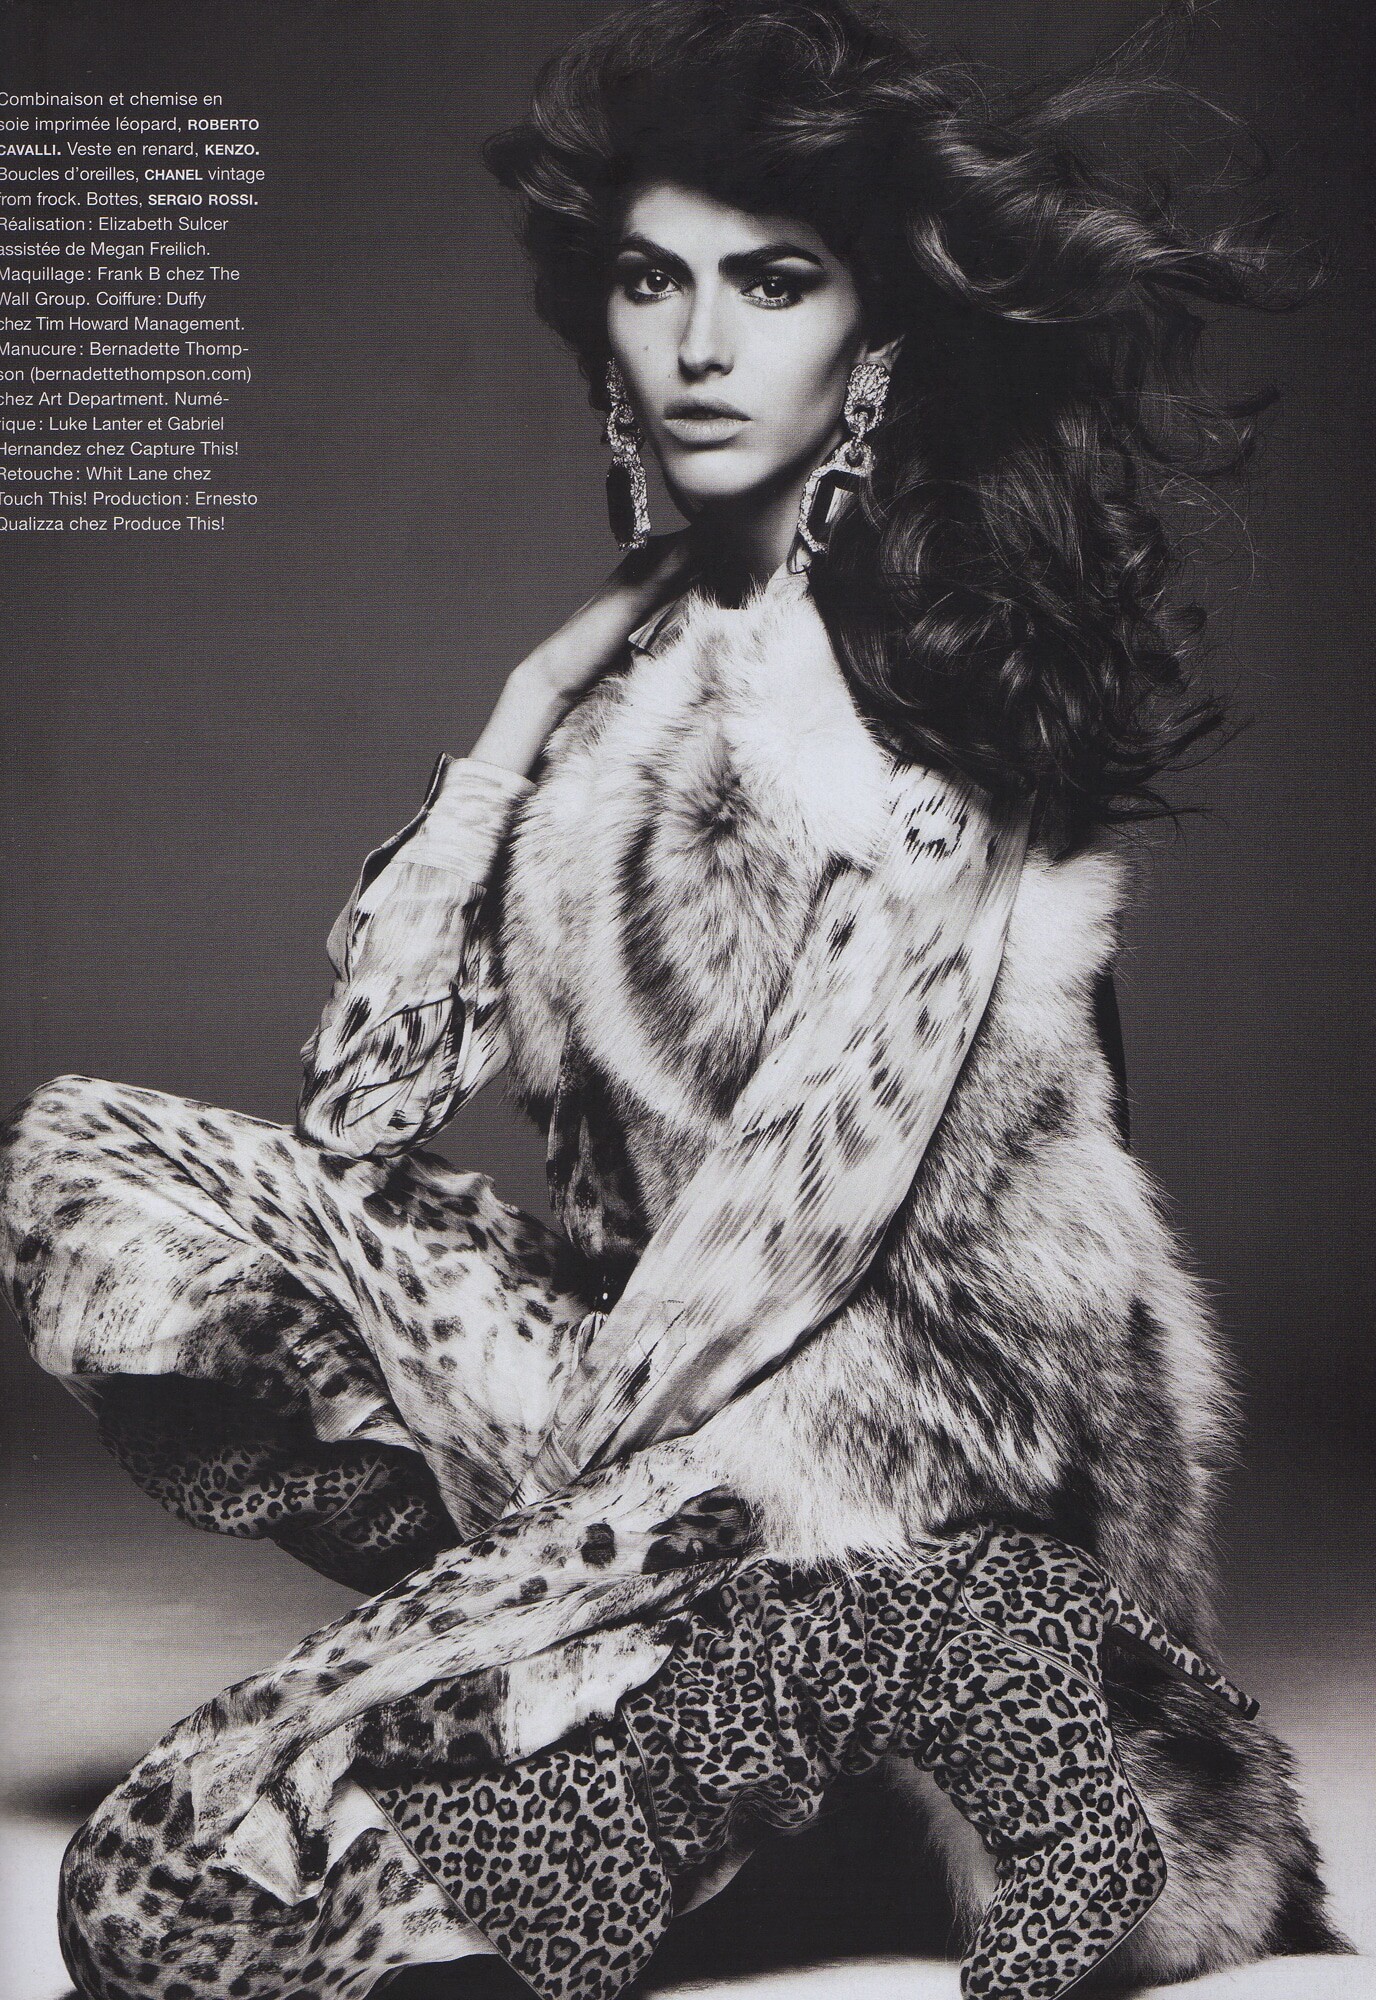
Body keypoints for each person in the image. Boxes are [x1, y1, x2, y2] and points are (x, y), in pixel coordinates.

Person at [0, 3, 1346, 1997]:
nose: (702, 343)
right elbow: (364, 1109)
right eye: (654, 280)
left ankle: (880, 1731)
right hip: (656, 1408)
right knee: (88, 1162)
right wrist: (521, 715)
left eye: (773, 282)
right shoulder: (631, 690)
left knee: (163, 1894)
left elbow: (786, 1248)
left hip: (875, 1482)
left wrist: (533, 1549)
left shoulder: (904, 726)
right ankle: (679, 1732)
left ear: (872, 342)